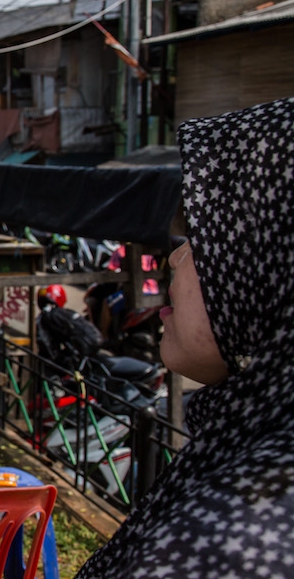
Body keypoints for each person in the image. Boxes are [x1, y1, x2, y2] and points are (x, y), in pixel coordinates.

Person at [75, 96, 294, 578]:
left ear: (275, 263)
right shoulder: (246, 441)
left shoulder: (240, 529)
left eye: (206, 236)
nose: (176, 258)